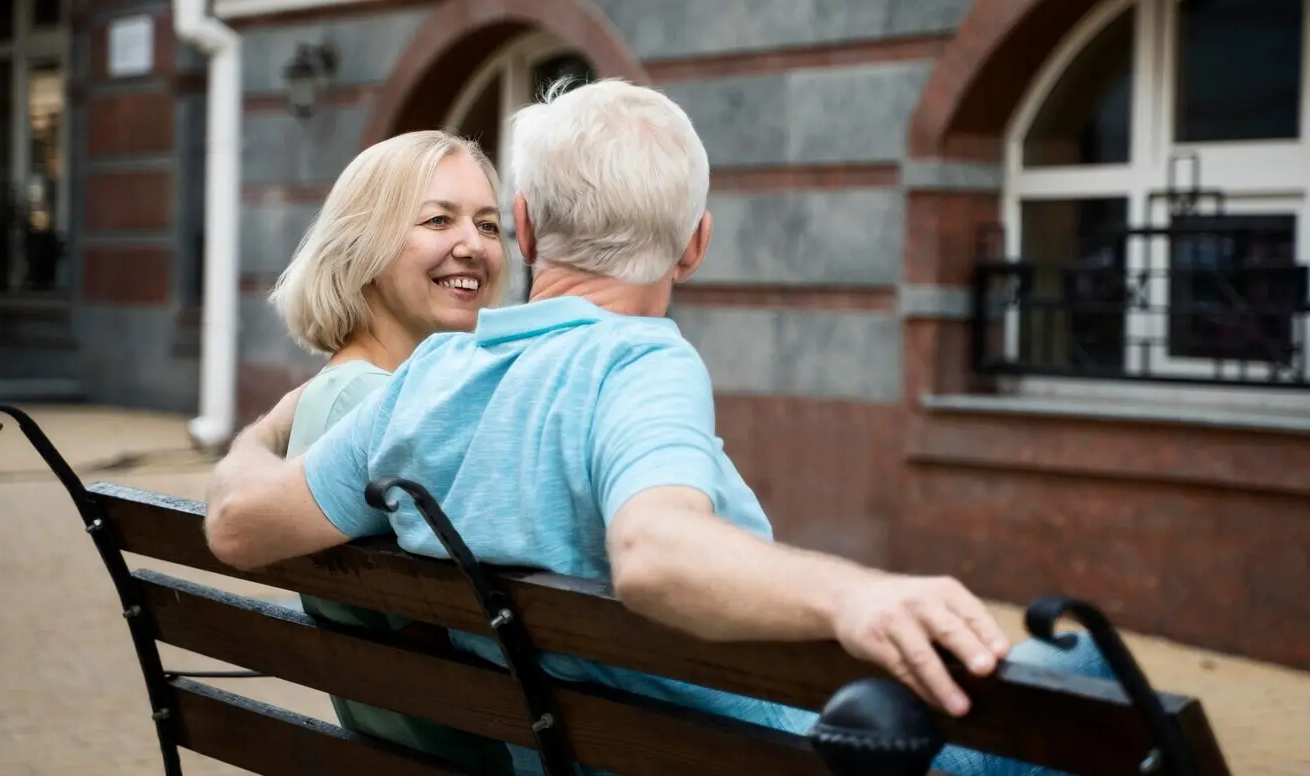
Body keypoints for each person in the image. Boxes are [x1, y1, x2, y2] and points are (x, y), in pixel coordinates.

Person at [205, 79, 1112, 776]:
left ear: (521, 227)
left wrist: (256, 441)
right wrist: (856, 596)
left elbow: (237, 527)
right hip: (755, 758)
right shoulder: (641, 363)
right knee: (1085, 673)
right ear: (696, 243)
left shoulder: (430, 380)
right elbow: (656, 552)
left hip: (575, 752)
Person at [263, 128, 514, 773]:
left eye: (489, 226)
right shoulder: (378, 410)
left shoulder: (337, 394)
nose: (473, 246)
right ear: (363, 246)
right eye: (438, 220)